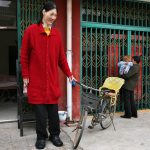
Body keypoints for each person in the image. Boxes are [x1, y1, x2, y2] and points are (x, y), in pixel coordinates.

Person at [20, 1, 75, 149]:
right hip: (37, 81)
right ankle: (41, 137)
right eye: (51, 14)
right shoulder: (31, 31)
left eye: (56, 15)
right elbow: (24, 56)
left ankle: (55, 135)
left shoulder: (56, 34)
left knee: (53, 112)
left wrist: (70, 74)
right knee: (40, 113)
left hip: (51, 81)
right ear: (43, 12)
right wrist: (25, 76)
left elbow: (61, 59)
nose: (53, 17)